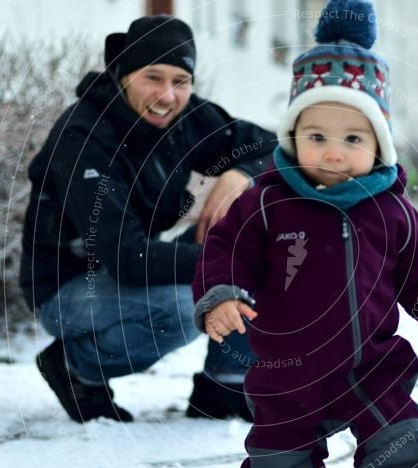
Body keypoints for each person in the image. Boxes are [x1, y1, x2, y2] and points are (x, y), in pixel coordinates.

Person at [191, 0, 418, 468]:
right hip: (285, 372)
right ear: (293, 136)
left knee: (405, 451)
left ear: (378, 144)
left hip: (370, 368)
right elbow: (225, 250)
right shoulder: (266, 202)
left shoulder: (392, 213)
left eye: (353, 138)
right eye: (317, 136)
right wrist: (222, 295)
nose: (333, 152)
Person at [20, 15, 275, 423]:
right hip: (69, 286)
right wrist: (226, 263)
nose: (168, 95)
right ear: (123, 74)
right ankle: (76, 365)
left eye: (181, 81)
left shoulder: (189, 117)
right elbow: (126, 258)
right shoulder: (84, 136)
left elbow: (275, 147)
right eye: (152, 77)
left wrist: (239, 175)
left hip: (128, 270)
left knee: (263, 229)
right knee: (186, 305)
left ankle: (224, 383)